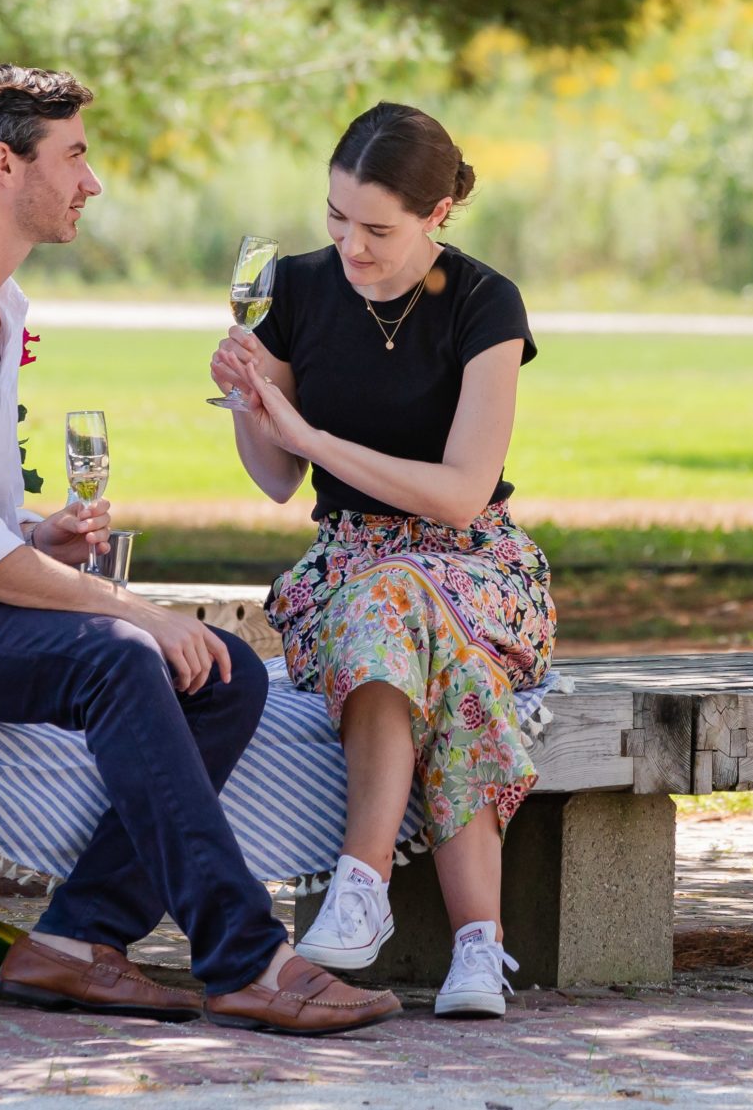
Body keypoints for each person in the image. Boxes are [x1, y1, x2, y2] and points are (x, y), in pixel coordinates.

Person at [0, 62, 397, 1035]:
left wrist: (35, 536)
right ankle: (246, 956)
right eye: (75, 156)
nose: (91, 182)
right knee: (121, 654)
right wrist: (130, 608)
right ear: (4, 162)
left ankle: (73, 940)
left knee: (224, 671)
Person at [213, 102, 550, 1020]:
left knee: (397, 601)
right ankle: (479, 948)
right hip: (349, 567)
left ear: (439, 214)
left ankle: (358, 889)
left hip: (474, 563)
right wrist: (252, 400)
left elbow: (460, 492)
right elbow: (279, 479)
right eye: (335, 216)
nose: (350, 245)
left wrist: (312, 432)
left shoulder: (487, 303)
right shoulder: (295, 287)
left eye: (377, 228)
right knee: (452, 669)